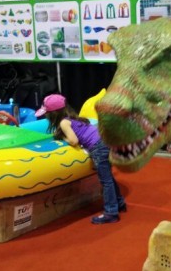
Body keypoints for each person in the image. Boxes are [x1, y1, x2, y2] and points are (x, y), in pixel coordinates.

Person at [36, 94, 126, 224]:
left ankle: (111, 212)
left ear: (53, 114)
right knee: (109, 178)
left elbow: (74, 141)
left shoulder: (63, 123)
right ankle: (119, 203)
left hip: (98, 148)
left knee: (106, 181)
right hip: (106, 142)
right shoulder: (74, 119)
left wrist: (63, 137)